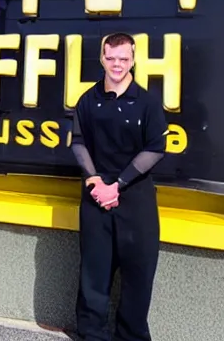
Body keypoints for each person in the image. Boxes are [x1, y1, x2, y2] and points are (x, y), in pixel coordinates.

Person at [70, 32, 168, 341]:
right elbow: (78, 141)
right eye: (111, 58)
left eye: (124, 59)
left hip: (135, 200)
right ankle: (91, 334)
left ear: (133, 60)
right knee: (93, 276)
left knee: (138, 276)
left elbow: (156, 148)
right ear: (101, 58)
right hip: (95, 197)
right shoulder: (88, 100)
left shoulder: (148, 102)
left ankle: (132, 336)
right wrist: (94, 180)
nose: (117, 64)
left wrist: (119, 184)